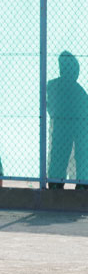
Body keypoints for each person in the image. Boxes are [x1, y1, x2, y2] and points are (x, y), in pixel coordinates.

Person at [46, 51, 88, 190]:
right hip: (76, 124)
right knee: (80, 153)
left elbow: (50, 105)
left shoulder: (53, 85)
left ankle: (56, 183)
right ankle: (82, 183)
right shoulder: (79, 91)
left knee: (60, 154)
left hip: (63, 123)